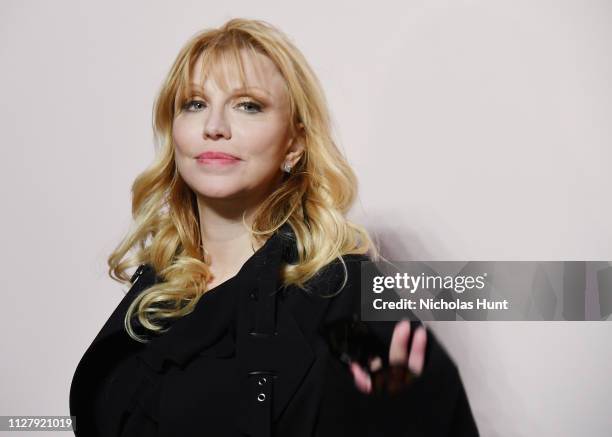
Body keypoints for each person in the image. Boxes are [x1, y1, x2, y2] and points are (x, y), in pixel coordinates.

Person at [69, 18, 479, 437]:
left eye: (248, 105)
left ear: (295, 143)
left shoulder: (339, 297)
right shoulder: (157, 287)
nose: (214, 126)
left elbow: (429, 411)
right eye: (194, 103)